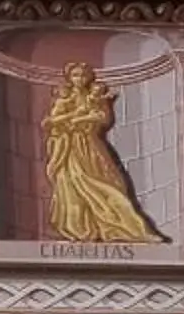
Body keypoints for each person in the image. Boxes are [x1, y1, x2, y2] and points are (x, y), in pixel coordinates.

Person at [42, 62, 163, 243]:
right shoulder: (64, 100)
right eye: (75, 75)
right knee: (75, 183)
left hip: (91, 145)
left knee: (110, 184)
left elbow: (104, 118)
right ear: (70, 78)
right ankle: (80, 229)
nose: (80, 79)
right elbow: (50, 122)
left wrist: (87, 114)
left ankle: (124, 227)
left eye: (83, 75)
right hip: (71, 149)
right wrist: (75, 116)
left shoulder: (96, 97)